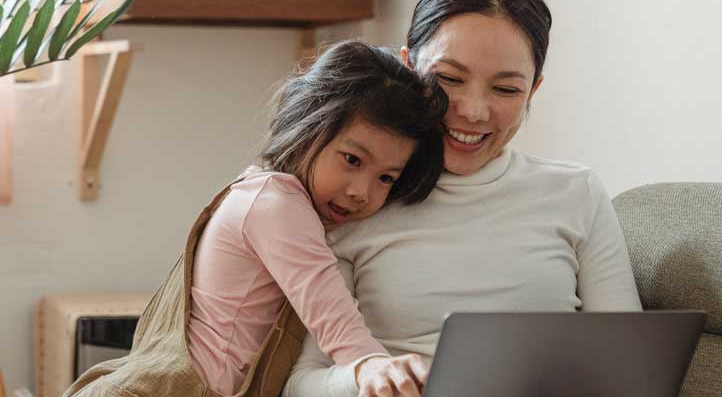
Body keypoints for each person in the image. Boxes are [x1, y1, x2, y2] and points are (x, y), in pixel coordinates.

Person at [283, 0, 643, 397]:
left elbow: (633, 367)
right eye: (450, 79)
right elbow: (299, 383)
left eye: (506, 89)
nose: (474, 111)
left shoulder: (577, 192)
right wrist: (367, 379)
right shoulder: (358, 198)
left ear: (533, 90)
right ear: (408, 67)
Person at [62, 40, 447, 397]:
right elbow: (328, 307)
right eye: (352, 159)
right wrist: (370, 363)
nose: (361, 191)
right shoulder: (277, 204)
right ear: (307, 126)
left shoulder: (262, 194)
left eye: (385, 178)